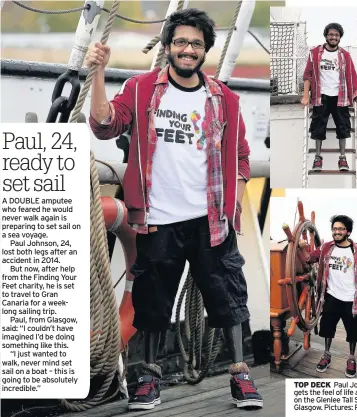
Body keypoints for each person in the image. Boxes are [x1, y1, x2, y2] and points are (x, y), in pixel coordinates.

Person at [87, 8, 262, 411]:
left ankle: (240, 376)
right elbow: (104, 124)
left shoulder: (225, 98)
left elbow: (241, 155)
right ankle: (149, 380)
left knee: (229, 299)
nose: (188, 50)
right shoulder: (139, 88)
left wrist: (233, 198)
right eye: (180, 42)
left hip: (211, 222)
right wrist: (97, 73)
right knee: (151, 303)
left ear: (205, 51)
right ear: (167, 46)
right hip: (157, 220)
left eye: (196, 44)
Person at [306, 215, 357, 378]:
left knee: (353, 331)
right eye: (334, 229)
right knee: (327, 328)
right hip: (331, 296)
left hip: (352, 299)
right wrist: (301, 246)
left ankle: (352, 359)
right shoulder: (326, 248)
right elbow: (310, 257)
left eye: (340, 229)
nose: (337, 232)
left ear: (348, 231)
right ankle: (326, 355)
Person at [301, 23, 357, 172]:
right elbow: (308, 75)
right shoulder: (315, 53)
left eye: (336, 35)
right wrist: (305, 96)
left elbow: (352, 76)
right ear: (326, 36)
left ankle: (342, 158)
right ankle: (317, 158)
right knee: (318, 127)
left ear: (340, 37)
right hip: (320, 96)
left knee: (343, 127)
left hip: (340, 97)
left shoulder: (345, 55)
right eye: (331, 35)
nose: (333, 37)